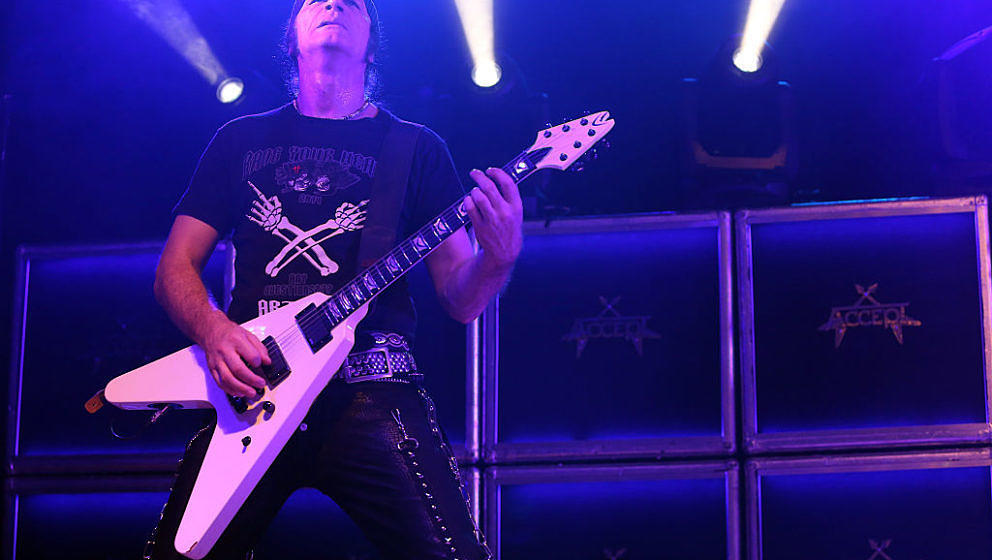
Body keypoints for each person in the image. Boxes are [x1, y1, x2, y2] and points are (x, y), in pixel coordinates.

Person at [145, 0, 522, 558]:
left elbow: (460, 300)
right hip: (255, 389)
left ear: (372, 44)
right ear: (292, 37)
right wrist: (214, 330)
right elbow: (174, 268)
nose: (334, 2)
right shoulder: (239, 141)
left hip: (371, 388)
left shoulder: (415, 148)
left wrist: (498, 258)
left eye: (355, 1)